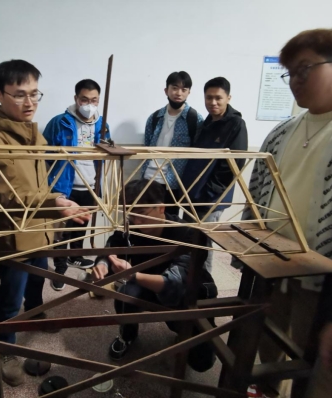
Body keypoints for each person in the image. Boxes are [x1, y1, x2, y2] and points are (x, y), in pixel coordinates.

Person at [241, 28, 332, 398]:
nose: (294, 81)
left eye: (304, 69)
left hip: (328, 280)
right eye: (289, 72)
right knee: (267, 343)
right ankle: (267, 390)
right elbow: (257, 196)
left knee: (323, 364)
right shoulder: (281, 132)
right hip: (273, 265)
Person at [0, 59, 90, 386]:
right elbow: (8, 194)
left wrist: (57, 198)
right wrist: (54, 204)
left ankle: (36, 310)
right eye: (19, 95)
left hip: (41, 227)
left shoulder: (33, 133)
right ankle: (6, 349)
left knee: (38, 278)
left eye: (34, 93)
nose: (29, 102)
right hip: (14, 235)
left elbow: (40, 184)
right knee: (10, 297)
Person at [92, 180, 217, 371]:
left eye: (141, 215)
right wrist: (102, 263)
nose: (136, 222)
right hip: (146, 283)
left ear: (161, 208)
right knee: (125, 295)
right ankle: (127, 335)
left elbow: (176, 283)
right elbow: (113, 245)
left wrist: (133, 275)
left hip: (188, 294)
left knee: (202, 362)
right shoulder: (132, 227)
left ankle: (181, 331)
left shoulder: (188, 233)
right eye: (131, 216)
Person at [43, 79, 110, 290]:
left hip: (90, 185)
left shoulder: (102, 125)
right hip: (65, 186)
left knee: (82, 224)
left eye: (94, 100)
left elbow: (105, 155)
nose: (89, 105)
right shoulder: (60, 122)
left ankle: (76, 256)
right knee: (61, 230)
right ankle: (60, 268)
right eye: (84, 99)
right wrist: (49, 184)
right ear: (76, 98)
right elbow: (44, 154)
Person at [180, 77, 248, 273]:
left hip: (211, 198)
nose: (213, 102)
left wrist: (210, 193)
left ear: (228, 98)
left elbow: (234, 164)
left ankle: (204, 285)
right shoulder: (207, 122)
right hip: (192, 195)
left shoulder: (236, 124)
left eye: (218, 98)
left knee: (203, 245)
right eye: (209, 98)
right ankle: (188, 280)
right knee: (190, 242)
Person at [142, 71, 204, 215]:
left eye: (184, 89)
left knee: (170, 221)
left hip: (174, 182)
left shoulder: (194, 119)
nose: (178, 93)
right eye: (174, 88)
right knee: (145, 218)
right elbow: (147, 145)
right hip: (149, 177)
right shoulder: (155, 117)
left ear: (189, 92)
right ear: (166, 90)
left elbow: (196, 152)